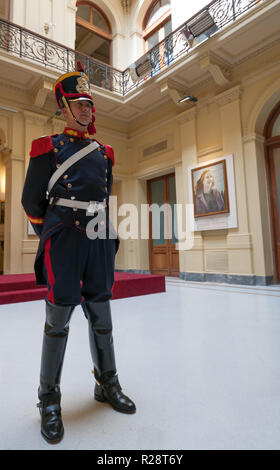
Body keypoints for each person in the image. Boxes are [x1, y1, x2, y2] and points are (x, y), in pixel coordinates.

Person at [21, 63, 136, 445]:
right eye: (78, 103)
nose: (86, 109)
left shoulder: (105, 152)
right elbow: (31, 202)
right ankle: (49, 401)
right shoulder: (47, 148)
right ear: (63, 108)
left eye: (88, 103)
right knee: (58, 320)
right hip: (65, 239)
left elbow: (103, 195)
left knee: (101, 316)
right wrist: (53, 233)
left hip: (99, 235)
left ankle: (107, 383)